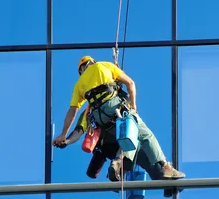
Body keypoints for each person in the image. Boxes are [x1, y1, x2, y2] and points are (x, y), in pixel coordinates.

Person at [53, 55, 185, 182]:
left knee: (135, 145)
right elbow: (130, 83)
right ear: (92, 62)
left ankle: (142, 171)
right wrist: (133, 107)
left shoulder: (79, 86)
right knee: (145, 135)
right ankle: (162, 167)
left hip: (102, 120)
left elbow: (73, 111)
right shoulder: (104, 65)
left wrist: (64, 136)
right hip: (115, 108)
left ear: (81, 70)